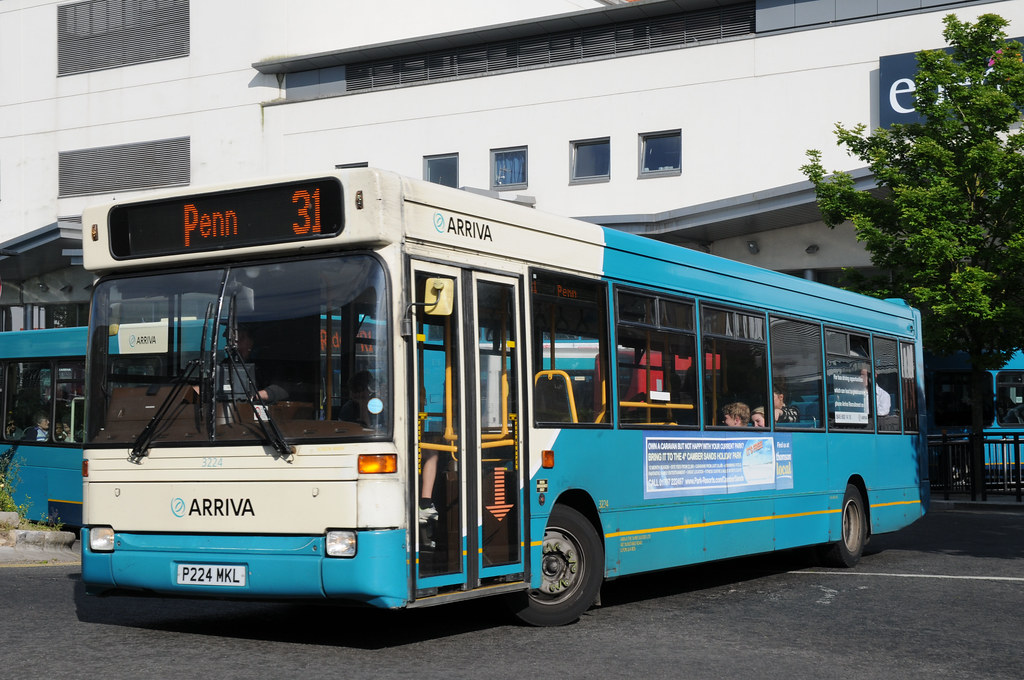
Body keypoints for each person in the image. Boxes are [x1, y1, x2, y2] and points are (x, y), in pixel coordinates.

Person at [233, 326, 288, 404]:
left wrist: (257, 395)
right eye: (234, 340)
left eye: (241, 338)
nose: (237, 344)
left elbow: (284, 388)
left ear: (252, 341)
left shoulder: (268, 362)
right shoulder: (226, 364)